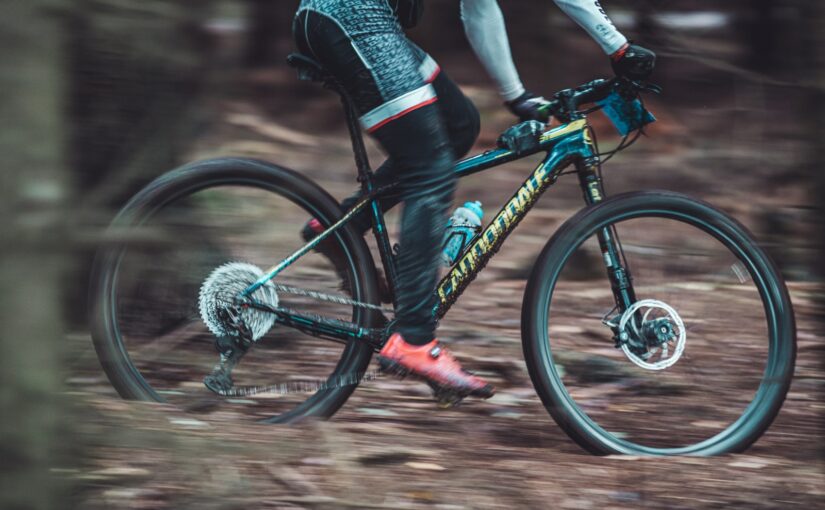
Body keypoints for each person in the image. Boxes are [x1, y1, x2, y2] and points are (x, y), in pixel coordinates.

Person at [293, 0, 655, 402]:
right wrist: (619, 47)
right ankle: (413, 338)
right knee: (430, 168)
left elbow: (479, 8)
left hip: (353, 20)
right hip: (354, 19)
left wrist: (516, 96)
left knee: (459, 125)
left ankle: (340, 228)